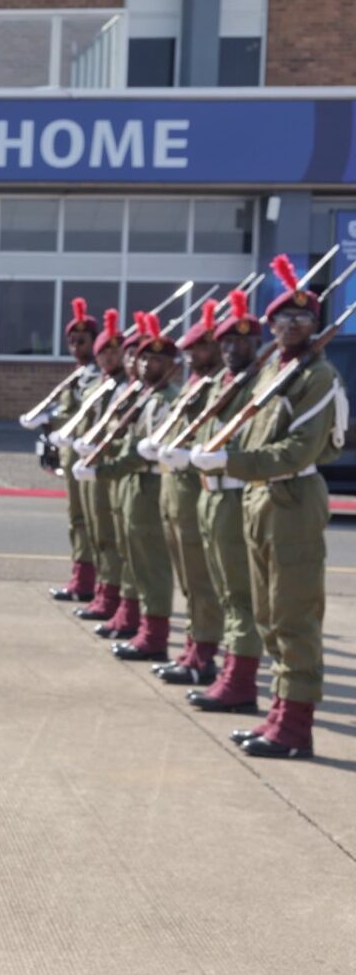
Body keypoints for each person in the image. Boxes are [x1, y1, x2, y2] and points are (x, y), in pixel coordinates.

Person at [182, 256, 347, 759]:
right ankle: (276, 712)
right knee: (267, 614)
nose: (291, 326)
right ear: (271, 326)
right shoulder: (271, 372)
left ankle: (295, 727)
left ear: (314, 327)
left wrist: (230, 459)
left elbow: (298, 452)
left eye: (302, 320)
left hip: (293, 499)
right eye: (283, 320)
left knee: (294, 615)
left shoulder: (318, 378)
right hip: (258, 500)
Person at [181, 291, 268, 711]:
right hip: (210, 495)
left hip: (236, 497)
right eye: (227, 342)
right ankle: (219, 664)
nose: (234, 348)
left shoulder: (261, 384)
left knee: (240, 594)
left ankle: (240, 679)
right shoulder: (219, 383)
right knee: (219, 588)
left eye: (242, 342)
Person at [79, 314, 177, 661]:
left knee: (151, 562)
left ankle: (152, 631)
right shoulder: (145, 395)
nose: (142, 362)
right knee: (129, 552)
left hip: (150, 483)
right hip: (132, 482)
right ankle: (134, 617)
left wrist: (105, 469)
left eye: (153, 358)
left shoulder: (167, 398)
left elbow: (141, 450)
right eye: (140, 357)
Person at [141, 301, 225, 680]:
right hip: (174, 492)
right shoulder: (193, 388)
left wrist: (188, 456)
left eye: (201, 349)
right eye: (190, 350)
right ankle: (193, 648)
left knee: (202, 579)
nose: (193, 356)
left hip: (197, 491)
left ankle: (204, 655)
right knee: (187, 578)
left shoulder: (220, 389)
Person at [22, 298, 100, 602]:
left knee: (88, 521)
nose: (75, 346)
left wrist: (52, 418)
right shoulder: (78, 374)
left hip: (86, 458)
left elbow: (85, 416)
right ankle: (81, 580)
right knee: (76, 519)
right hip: (71, 458)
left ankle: (90, 583)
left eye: (81, 340)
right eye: (71, 341)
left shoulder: (95, 377)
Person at [68, 310, 128, 623]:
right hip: (87, 462)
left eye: (114, 351)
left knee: (110, 533)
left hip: (111, 466)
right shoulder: (97, 384)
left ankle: (112, 596)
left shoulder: (126, 388)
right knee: (91, 527)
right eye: (104, 352)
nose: (107, 357)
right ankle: (99, 590)